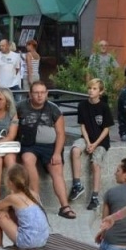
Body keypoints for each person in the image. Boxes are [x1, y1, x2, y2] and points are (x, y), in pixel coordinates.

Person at [13, 80, 76, 217]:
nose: (39, 96)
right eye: (36, 93)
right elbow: (12, 126)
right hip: (29, 144)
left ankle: (65, 206)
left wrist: (57, 153)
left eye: (42, 93)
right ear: (30, 94)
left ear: (47, 94)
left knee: (57, 170)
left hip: (50, 146)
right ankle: (36, 200)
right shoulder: (20, 107)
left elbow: (61, 133)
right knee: (27, 159)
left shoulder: (54, 109)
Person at [69, 77, 113, 210]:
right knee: (75, 149)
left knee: (95, 163)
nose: (91, 91)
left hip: (101, 141)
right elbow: (82, 126)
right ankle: (77, 185)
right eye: (90, 88)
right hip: (87, 138)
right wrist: (88, 142)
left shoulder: (104, 107)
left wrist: (95, 144)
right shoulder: (82, 105)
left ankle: (95, 196)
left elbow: (106, 129)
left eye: (94, 89)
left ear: (101, 92)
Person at [0, 166, 49, 250]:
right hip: (43, 240)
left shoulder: (12, 198)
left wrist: (4, 209)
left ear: (10, 183)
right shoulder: (34, 193)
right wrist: (6, 210)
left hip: (27, 241)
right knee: (11, 210)